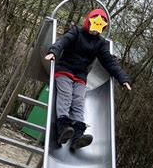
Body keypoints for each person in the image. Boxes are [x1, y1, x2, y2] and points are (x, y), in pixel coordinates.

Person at [45, 9, 131, 150]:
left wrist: (123, 78)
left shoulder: (99, 43)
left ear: (102, 29)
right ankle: (63, 128)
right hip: (65, 70)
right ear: (88, 23)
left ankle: (77, 136)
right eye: (94, 26)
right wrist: (53, 51)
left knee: (79, 100)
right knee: (66, 95)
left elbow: (109, 61)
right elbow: (63, 41)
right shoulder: (76, 32)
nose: (95, 31)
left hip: (80, 76)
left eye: (99, 28)